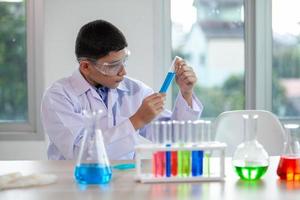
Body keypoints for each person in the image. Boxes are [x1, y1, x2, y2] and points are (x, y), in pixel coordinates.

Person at [41, 19, 203, 160]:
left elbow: (176, 138)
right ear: (85, 66)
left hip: (125, 181)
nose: (123, 72)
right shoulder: (59, 96)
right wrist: (137, 120)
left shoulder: (135, 90)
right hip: (73, 185)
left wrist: (186, 93)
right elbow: (81, 154)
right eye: (113, 66)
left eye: (123, 61)